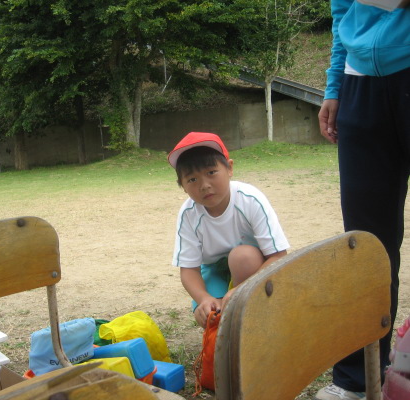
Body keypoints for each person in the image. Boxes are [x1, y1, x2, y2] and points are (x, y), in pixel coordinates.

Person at [316, 1, 410, 399]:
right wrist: (334, 86)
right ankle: (357, 379)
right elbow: (342, 14)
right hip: (359, 85)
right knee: (366, 245)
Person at [168, 131, 290, 328]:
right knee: (210, 316)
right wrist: (204, 299)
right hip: (214, 269)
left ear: (229, 168)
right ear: (182, 186)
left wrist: (242, 289)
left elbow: (278, 256)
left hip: (254, 268)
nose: (204, 185)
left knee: (243, 257)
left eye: (211, 172)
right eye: (192, 180)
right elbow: (189, 270)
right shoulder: (189, 213)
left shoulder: (250, 199)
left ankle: (252, 312)